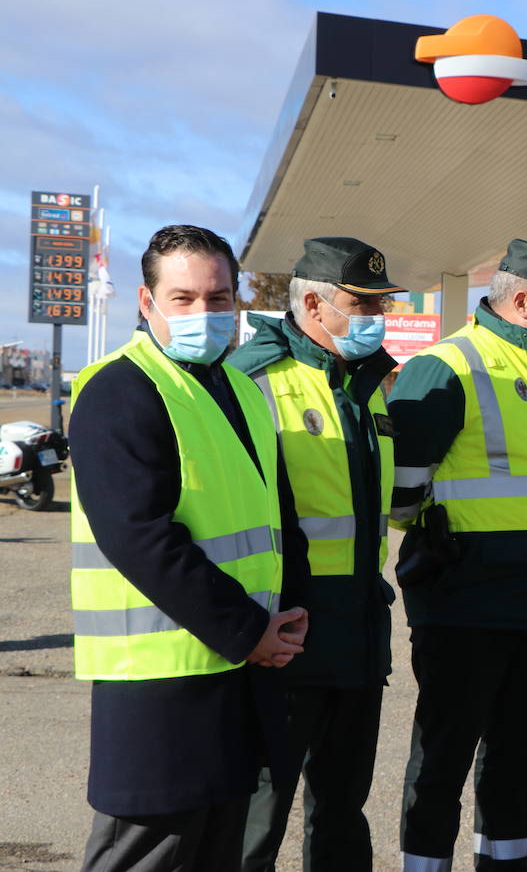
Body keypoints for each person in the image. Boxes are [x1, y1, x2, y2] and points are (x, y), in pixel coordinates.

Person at [68, 224, 310, 872]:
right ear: (147, 305)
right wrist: (248, 630)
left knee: (215, 855)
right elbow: (141, 539)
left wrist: (286, 618)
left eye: (219, 298)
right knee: (146, 857)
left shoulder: (238, 390)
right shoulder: (119, 391)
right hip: (160, 686)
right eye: (184, 299)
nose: (206, 313)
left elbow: (275, 518)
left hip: (237, 676)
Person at [388, 238, 527, 872]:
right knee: (444, 755)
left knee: (519, 754)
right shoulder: (450, 364)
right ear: (525, 299)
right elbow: (401, 491)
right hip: (466, 599)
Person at [232, 237, 405, 871]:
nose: (373, 317)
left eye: (379, 304)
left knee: (342, 809)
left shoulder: (366, 386)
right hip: (283, 632)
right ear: (312, 301)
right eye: (361, 303)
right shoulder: (253, 381)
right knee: (258, 814)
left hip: (357, 630)